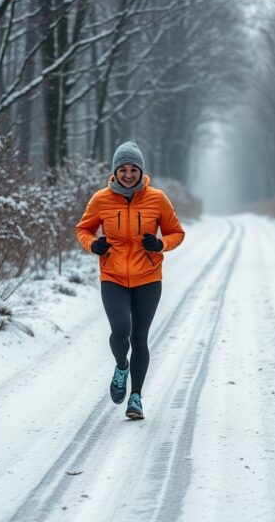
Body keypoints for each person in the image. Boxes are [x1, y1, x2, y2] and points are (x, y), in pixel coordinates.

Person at [75, 142, 185, 419]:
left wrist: (160, 244)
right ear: (115, 171)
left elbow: (177, 233)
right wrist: (93, 245)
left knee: (139, 336)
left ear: (141, 171)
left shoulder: (157, 198)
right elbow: (83, 229)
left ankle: (135, 398)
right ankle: (121, 365)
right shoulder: (101, 199)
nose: (127, 174)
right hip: (112, 276)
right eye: (122, 169)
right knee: (121, 330)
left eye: (132, 169)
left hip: (148, 278)